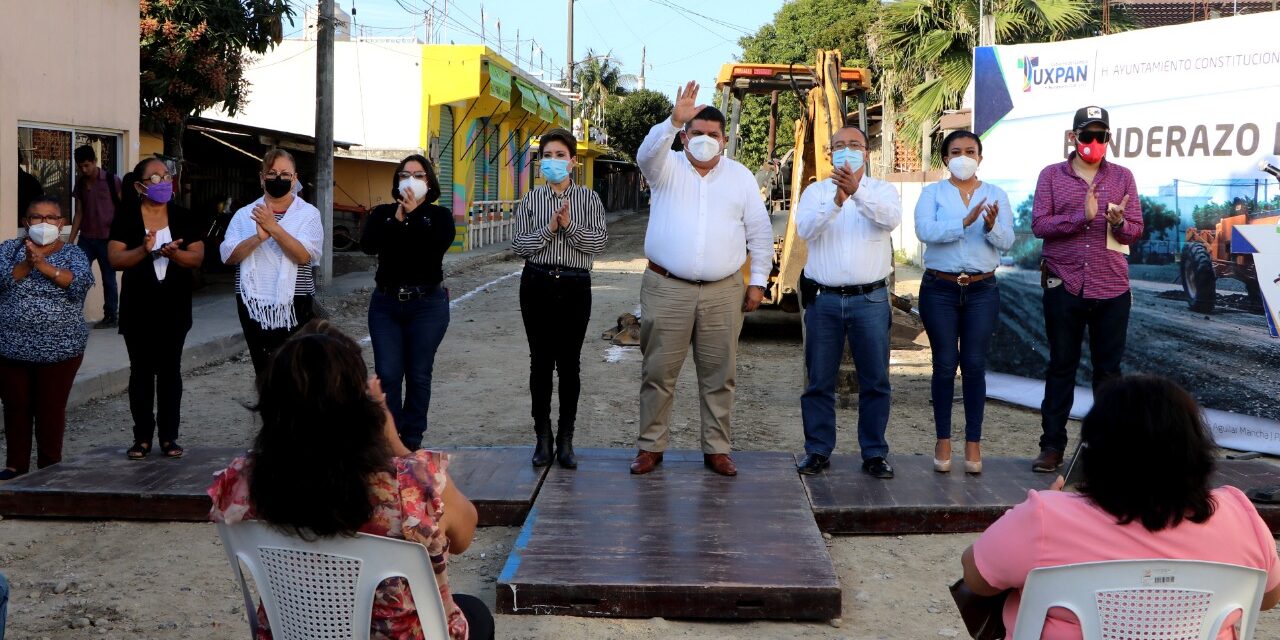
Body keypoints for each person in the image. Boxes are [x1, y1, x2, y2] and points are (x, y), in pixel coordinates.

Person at [208, 320, 494, 640]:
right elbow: (464, 535)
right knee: (477, 614)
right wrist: (395, 443)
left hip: (297, 631)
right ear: (362, 407)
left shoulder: (243, 483)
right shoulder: (412, 485)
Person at [961, 375, 1280, 639]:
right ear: (1195, 450)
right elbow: (1267, 598)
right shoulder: (1240, 515)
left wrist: (1043, 508)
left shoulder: (1045, 518)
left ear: (1097, 452)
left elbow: (977, 580)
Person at [631, 81, 772, 477]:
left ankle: (717, 449)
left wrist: (758, 281)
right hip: (666, 288)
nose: (705, 141)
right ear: (684, 137)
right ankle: (650, 447)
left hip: (723, 291)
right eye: (697, 134)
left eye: (713, 135)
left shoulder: (741, 177)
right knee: (658, 373)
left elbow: (759, 231)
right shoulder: (665, 167)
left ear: (724, 140)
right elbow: (645, 155)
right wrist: (672, 120)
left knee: (719, 375)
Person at [1030, 106, 1142, 473]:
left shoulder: (1123, 177)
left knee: (1108, 373)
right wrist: (1084, 217)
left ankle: (1106, 451)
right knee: (1061, 366)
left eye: (1101, 136)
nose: (1094, 143)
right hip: (1064, 284)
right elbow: (1040, 225)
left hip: (1111, 288)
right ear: (1073, 137)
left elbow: (1135, 231)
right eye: (1087, 136)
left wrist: (1119, 221)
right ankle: (1052, 447)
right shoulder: (1051, 175)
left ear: (1109, 139)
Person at [793, 125, 903, 479]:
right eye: (839, 145)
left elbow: (890, 219)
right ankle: (818, 450)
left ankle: (873, 453)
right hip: (824, 301)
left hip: (869, 299)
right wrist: (838, 200)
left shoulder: (882, 190)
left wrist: (857, 193)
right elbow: (806, 229)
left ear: (866, 153)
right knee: (818, 381)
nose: (846, 151)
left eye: (854, 145)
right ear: (829, 153)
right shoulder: (815, 193)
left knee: (875, 381)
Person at [914, 130, 1014, 474]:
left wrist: (988, 226)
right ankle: (943, 438)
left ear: (980, 157)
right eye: (956, 151)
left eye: (970, 151)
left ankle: (974, 441)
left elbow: (1008, 241)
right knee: (943, 364)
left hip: (981, 289)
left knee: (973, 364)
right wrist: (963, 222)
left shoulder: (996, 194)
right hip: (939, 288)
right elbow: (925, 231)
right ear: (946, 159)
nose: (963, 156)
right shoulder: (933, 193)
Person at [512, 128, 608, 469]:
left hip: (575, 285)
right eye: (547, 155)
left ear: (573, 162)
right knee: (540, 362)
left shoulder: (590, 199)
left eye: (560, 155)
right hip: (536, 283)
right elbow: (520, 246)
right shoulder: (529, 200)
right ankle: (543, 438)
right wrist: (549, 230)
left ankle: (566, 440)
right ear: (540, 163)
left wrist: (569, 227)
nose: (553, 161)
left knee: (569, 364)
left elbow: (597, 245)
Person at [108, 157, 206, 460]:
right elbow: (115, 260)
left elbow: (197, 258)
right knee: (140, 373)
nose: (163, 182)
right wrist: (143, 250)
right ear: (139, 186)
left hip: (174, 310)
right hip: (138, 309)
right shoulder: (126, 217)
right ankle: (142, 438)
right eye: (154, 178)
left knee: (169, 373)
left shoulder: (184, 216)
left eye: (166, 176)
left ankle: (168, 437)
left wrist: (175, 255)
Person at [360, 155, 456, 451]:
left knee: (418, 373)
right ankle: (391, 439)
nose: (411, 180)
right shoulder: (383, 214)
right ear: (397, 181)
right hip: (386, 304)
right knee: (388, 373)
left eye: (418, 175)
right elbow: (369, 245)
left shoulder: (439, 217)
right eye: (405, 175)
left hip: (427, 304)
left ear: (429, 182)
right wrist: (398, 218)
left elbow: (434, 246)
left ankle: (411, 441)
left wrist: (414, 217)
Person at [0, 197, 92, 480]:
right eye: (36, 217)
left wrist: (43, 266)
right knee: (16, 408)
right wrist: (27, 265)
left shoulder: (73, 253)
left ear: (61, 223)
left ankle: (49, 468)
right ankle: (16, 466)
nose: (43, 223)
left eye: (50, 218)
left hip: (61, 350)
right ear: (26, 222)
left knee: (50, 410)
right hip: (11, 347)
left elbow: (78, 284)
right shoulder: (8, 249)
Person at [219, 149, 323, 376]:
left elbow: (304, 255)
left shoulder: (308, 214)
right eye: (272, 173)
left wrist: (273, 227)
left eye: (285, 174)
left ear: (295, 179)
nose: (279, 178)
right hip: (254, 304)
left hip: (297, 304)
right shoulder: (244, 215)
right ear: (261, 177)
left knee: (298, 371)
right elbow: (228, 256)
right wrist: (258, 238)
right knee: (265, 371)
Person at [70, 145, 122, 329]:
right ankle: (73, 316)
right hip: (86, 239)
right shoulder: (80, 182)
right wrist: (70, 241)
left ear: (94, 162)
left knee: (108, 278)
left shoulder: (111, 180)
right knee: (79, 276)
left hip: (108, 239)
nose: (83, 170)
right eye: (80, 167)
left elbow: (123, 209)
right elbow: (79, 213)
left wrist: (122, 234)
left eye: (86, 165)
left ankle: (111, 316)